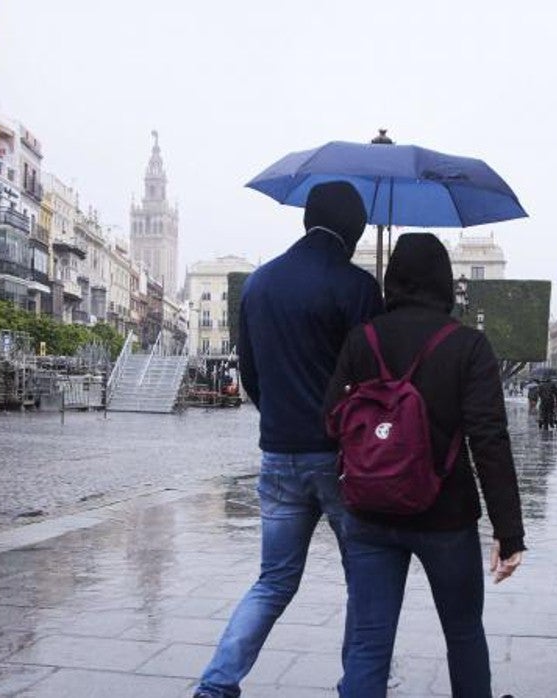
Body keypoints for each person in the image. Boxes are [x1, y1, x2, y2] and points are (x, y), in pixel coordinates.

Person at [194, 181, 383, 698]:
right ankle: (356, 688)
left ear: (306, 219)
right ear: (354, 230)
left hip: (278, 455)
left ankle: (216, 685)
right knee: (363, 583)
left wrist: (279, 414)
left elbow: (250, 373)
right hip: (341, 459)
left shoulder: (259, 284)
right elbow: (373, 380)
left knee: (273, 581)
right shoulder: (358, 288)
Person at [324, 233, 526, 698]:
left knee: (370, 643)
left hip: (370, 513)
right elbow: (488, 439)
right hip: (446, 515)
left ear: (391, 281)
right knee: (463, 634)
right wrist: (508, 529)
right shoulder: (468, 346)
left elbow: (330, 419)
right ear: (444, 284)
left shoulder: (362, 340)